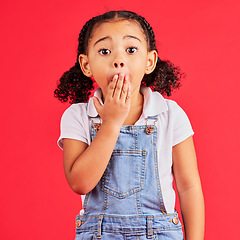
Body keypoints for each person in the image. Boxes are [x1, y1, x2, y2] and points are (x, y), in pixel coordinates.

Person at [54, 10, 205, 240]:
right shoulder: (77, 116)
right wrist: (111, 122)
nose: (118, 59)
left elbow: (189, 187)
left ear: (149, 61)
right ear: (86, 65)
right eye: (105, 51)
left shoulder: (170, 114)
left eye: (131, 50)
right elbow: (80, 183)